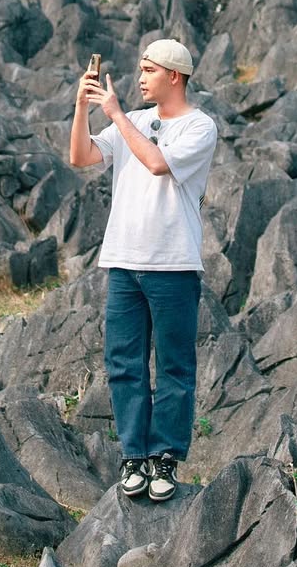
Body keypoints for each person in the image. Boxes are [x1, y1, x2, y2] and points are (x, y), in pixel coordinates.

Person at [69, 38, 217, 502]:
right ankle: (134, 456)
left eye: (148, 70)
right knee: (123, 364)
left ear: (174, 75)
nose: (140, 78)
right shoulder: (132, 119)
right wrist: (82, 107)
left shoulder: (200, 126)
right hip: (123, 263)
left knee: (174, 367)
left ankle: (164, 460)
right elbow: (82, 158)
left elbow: (156, 163)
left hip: (173, 264)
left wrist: (113, 113)